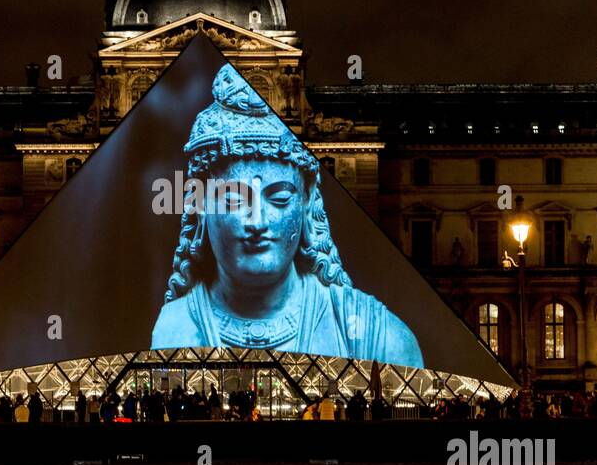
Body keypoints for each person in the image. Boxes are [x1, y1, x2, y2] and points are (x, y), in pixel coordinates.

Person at [151, 64, 422, 367]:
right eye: (233, 200)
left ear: (308, 204)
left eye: (279, 198)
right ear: (199, 208)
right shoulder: (172, 327)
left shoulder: (382, 337)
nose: (257, 222)